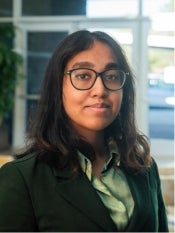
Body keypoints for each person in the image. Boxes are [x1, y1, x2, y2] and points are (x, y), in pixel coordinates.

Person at [0, 30, 168, 232]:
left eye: (112, 76)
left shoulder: (145, 168)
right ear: (58, 89)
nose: (100, 90)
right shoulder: (22, 178)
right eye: (82, 76)